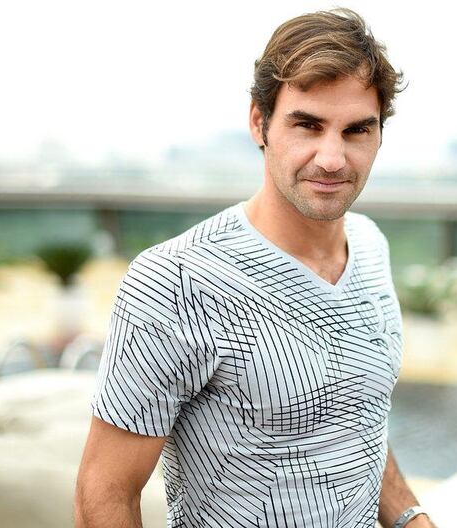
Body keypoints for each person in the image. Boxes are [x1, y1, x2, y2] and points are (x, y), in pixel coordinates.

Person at [75, 8, 435, 528]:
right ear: (259, 123)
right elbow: (103, 491)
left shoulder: (371, 246)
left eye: (356, 130)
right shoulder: (176, 280)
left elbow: (357, 423)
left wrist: (412, 519)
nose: (332, 158)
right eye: (307, 125)